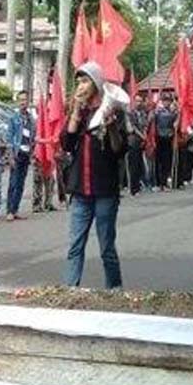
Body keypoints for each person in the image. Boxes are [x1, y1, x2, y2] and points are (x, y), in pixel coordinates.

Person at [60, 62, 127, 289]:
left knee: (106, 245)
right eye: (78, 81)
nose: (80, 85)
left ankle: (115, 289)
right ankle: (71, 289)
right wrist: (76, 114)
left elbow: (119, 150)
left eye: (85, 80)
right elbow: (67, 144)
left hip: (105, 191)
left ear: (97, 83)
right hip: (80, 191)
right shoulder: (77, 110)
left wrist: (113, 129)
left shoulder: (113, 111)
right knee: (75, 245)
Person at [6, 91, 34, 220]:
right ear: (18, 102)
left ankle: (15, 209)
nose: (23, 103)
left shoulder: (31, 119)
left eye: (25, 100)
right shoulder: (13, 118)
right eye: (21, 100)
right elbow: (9, 138)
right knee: (13, 183)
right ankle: (10, 211)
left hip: (26, 155)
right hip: (16, 154)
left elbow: (32, 137)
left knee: (21, 183)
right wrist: (10, 156)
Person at [126, 93, 150, 196]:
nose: (138, 103)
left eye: (140, 101)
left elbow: (145, 125)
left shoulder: (143, 113)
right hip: (133, 141)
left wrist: (145, 135)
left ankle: (139, 186)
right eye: (137, 101)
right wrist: (142, 135)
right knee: (133, 166)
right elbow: (133, 128)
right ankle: (133, 189)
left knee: (140, 164)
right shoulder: (130, 113)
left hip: (141, 141)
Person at [153, 94, 176, 191]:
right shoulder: (159, 112)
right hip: (160, 138)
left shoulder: (170, 112)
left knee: (167, 163)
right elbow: (167, 119)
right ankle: (159, 184)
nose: (167, 102)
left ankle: (165, 183)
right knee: (159, 162)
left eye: (168, 101)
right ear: (162, 101)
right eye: (165, 100)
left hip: (168, 138)